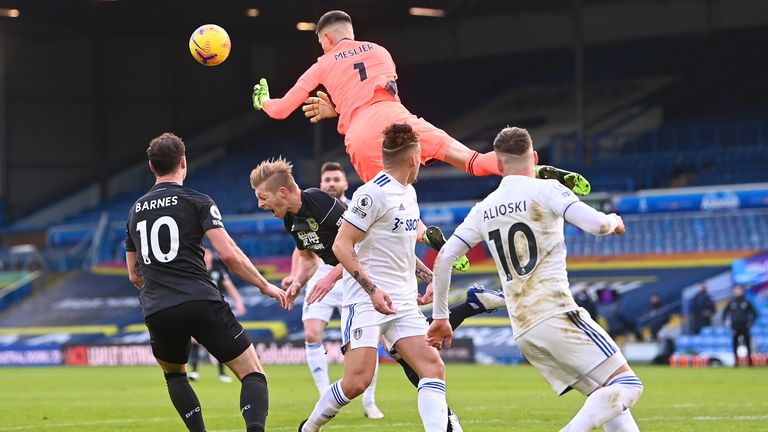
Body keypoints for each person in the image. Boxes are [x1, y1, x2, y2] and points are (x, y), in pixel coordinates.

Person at [427, 126, 643, 432]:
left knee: (606, 397)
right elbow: (596, 225)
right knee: (629, 384)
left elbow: (446, 257)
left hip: (524, 330)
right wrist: (613, 222)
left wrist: (440, 316)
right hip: (556, 313)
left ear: (498, 165)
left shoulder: (484, 208)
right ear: (536, 158)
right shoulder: (548, 190)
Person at [251, 10, 591, 197]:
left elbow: (281, 110)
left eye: (320, 42)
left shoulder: (323, 63)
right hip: (401, 119)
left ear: (325, 38)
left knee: (387, 203)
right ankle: (530, 166)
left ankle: (427, 248)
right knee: (473, 160)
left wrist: (264, 101)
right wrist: (339, 108)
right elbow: (375, 93)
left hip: (364, 135)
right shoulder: (380, 51)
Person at [125, 132, 289, 432]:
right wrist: (264, 285)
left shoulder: (135, 211)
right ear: (183, 162)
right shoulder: (198, 201)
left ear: (152, 166)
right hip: (201, 301)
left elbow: (134, 274)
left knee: (175, 376)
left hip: (158, 309)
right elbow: (228, 254)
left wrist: (160, 293)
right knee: (252, 372)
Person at [296, 123, 448, 432]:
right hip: (366, 303)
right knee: (356, 382)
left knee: (433, 368)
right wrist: (373, 291)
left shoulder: (410, 193)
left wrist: (430, 275)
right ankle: (309, 428)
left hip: (403, 302)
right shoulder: (371, 194)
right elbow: (341, 244)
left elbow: (403, 247)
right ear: (413, 159)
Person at [253, 159, 384, 419]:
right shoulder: (290, 219)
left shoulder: (320, 203)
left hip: (357, 276)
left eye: (262, 197)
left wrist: (331, 279)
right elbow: (308, 257)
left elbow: (357, 249)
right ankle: (327, 396)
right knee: (312, 334)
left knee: (369, 346)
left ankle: (369, 401)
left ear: (282, 192)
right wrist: (298, 281)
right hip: (329, 274)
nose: (259, 204)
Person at [188, 247, 247, 384]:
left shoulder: (217, 271)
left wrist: (238, 301)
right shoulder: (194, 270)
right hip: (196, 309)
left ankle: (222, 373)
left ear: (210, 255)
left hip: (215, 310)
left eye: (207, 254)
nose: (204, 256)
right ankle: (194, 371)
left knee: (219, 339)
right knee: (194, 340)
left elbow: (229, 286)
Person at [723, 285, 758, 367]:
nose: (737, 292)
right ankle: (736, 362)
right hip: (735, 327)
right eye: (735, 290)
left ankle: (750, 363)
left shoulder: (746, 302)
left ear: (742, 291)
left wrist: (751, 322)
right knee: (735, 344)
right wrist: (725, 321)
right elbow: (725, 313)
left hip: (745, 327)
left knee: (748, 345)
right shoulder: (732, 302)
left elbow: (755, 313)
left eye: (738, 290)